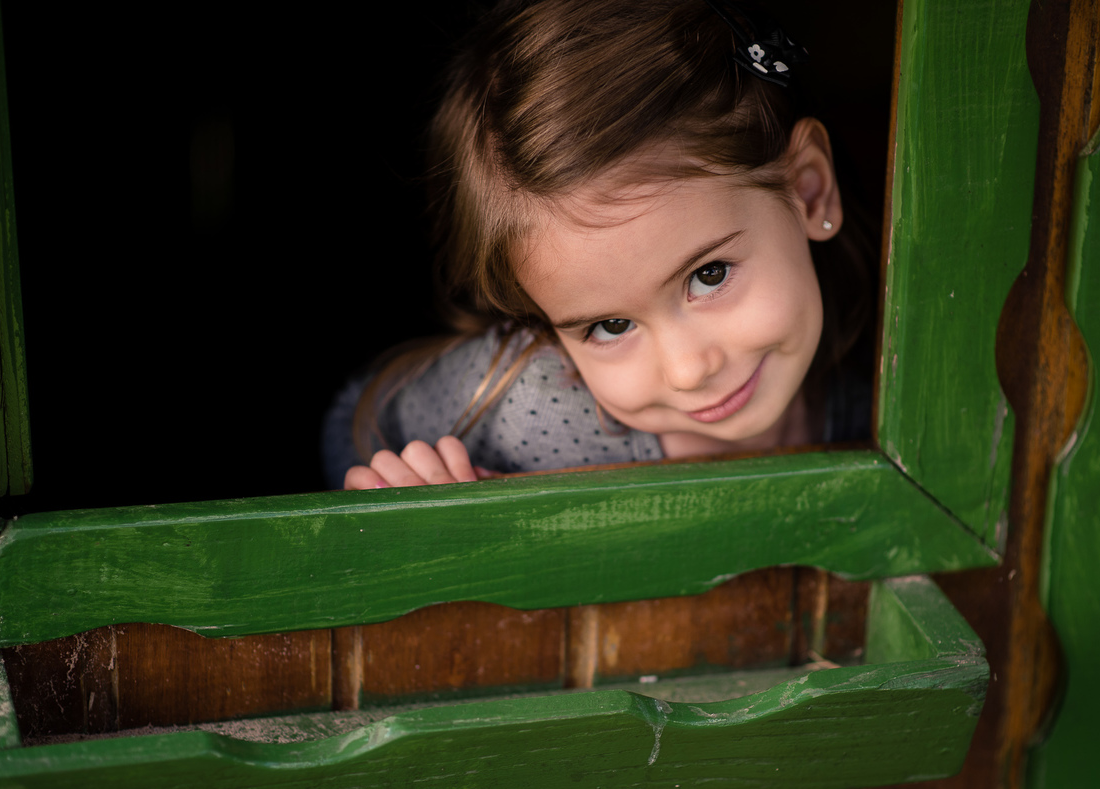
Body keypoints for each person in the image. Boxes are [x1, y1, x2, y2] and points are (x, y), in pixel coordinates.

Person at [323, 0, 874, 492]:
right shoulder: (530, 409)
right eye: (610, 326)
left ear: (809, 191)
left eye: (709, 275)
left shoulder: (879, 385)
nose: (688, 370)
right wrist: (415, 499)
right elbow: (357, 419)